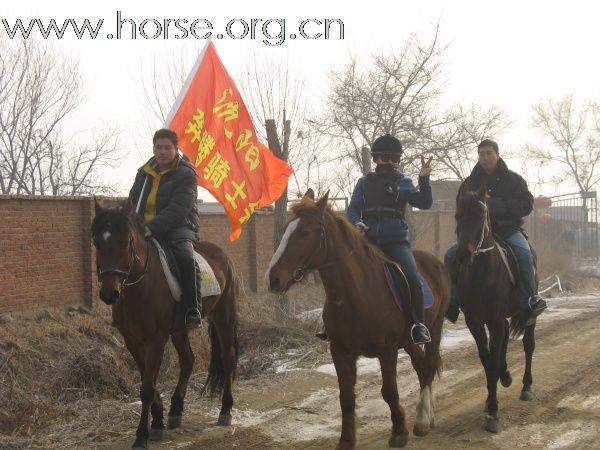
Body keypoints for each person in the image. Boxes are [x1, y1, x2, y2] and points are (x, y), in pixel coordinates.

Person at [316, 134, 433, 344]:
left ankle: (418, 324)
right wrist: (356, 223)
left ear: (397, 161)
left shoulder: (404, 182)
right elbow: (353, 208)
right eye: (382, 157)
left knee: (412, 277)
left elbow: (425, 203)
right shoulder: (363, 183)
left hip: (395, 242)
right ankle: (330, 322)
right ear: (375, 158)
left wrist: (424, 179)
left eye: (391, 158)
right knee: (342, 272)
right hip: (367, 242)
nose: (387, 162)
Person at [444, 139, 547, 325]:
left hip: (508, 231)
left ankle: (529, 301)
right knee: (450, 255)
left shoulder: (514, 180)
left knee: (524, 254)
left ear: (497, 154)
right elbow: (461, 209)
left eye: (489, 153)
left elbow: (527, 205)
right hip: (477, 236)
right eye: (481, 153)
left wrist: (497, 205)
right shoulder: (469, 183)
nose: (485, 157)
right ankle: (453, 301)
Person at [129, 128, 202, 330]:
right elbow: (133, 200)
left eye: (167, 148)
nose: (162, 152)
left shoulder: (186, 174)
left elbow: (179, 208)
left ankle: (192, 309)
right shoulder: (143, 173)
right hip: (144, 227)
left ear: (176, 149)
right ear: (153, 148)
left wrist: (153, 228)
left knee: (185, 258)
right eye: (158, 147)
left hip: (179, 227)